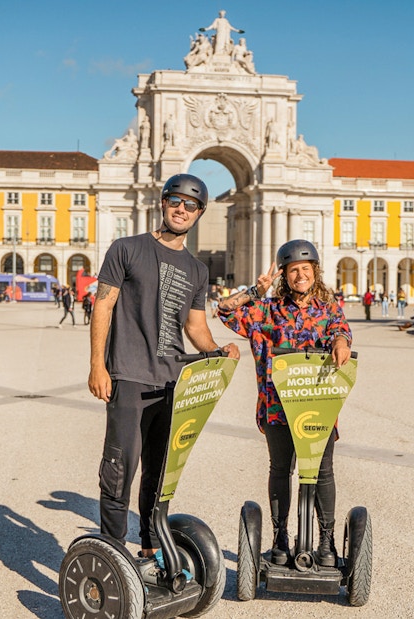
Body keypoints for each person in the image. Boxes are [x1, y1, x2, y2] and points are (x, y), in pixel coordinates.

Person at [88, 173, 240, 567]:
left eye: (191, 205)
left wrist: (215, 350)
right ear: (163, 203)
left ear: (200, 213)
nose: (182, 209)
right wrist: (97, 365)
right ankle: (112, 550)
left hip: (175, 381)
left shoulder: (197, 269)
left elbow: (194, 326)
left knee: (160, 470)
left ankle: (150, 545)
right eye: (176, 201)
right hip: (129, 374)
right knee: (119, 467)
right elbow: (103, 305)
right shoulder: (127, 249)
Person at [218, 239, 352, 567]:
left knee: (322, 472)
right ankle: (279, 538)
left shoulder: (328, 308)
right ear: (285, 275)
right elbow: (223, 311)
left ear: (315, 273)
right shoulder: (268, 311)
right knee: (280, 470)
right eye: (294, 271)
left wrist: (339, 340)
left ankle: (326, 541)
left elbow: (341, 329)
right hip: (277, 408)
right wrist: (255, 290)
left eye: (305, 269)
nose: (300, 276)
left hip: (318, 406)